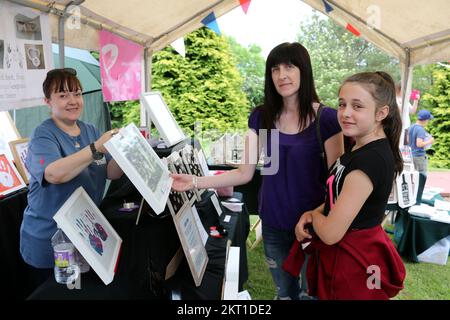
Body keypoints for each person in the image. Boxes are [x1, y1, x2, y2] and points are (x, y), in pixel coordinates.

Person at [171, 42, 344, 300]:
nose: (282, 75)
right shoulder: (262, 117)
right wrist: (195, 181)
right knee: (284, 293)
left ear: (304, 70)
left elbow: (336, 184)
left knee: (312, 294)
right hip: (273, 222)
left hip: (312, 227)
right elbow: (244, 173)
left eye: (289, 67)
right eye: (275, 69)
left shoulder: (327, 119)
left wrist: (320, 219)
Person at [290, 71, 406, 300]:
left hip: (351, 266)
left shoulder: (370, 161)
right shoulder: (358, 147)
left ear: (381, 113)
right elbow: (338, 196)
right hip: (343, 260)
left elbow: (332, 233)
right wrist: (314, 211)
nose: (345, 113)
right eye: (342, 104)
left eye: (357, 106)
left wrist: (314, 217)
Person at [20, 68, 124, 289]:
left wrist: (128, 155)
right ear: (47, 101)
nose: (72, 101)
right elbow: (54, 174)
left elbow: (109, 172)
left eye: (77, 93)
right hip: (49, 242)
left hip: (84, 236)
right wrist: (96, 148)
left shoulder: (90, 130)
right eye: (63, 95)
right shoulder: (43, 135)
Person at [408, 109, 434, 176]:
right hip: (419, 156)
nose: (428, 122)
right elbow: (419, 144)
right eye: (428, 120)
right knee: (421, 176)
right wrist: (429, 141)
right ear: (425, 120)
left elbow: (407, 140)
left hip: (411, 155)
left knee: (413, 176)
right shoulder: (420, 129)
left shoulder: (411, 126)